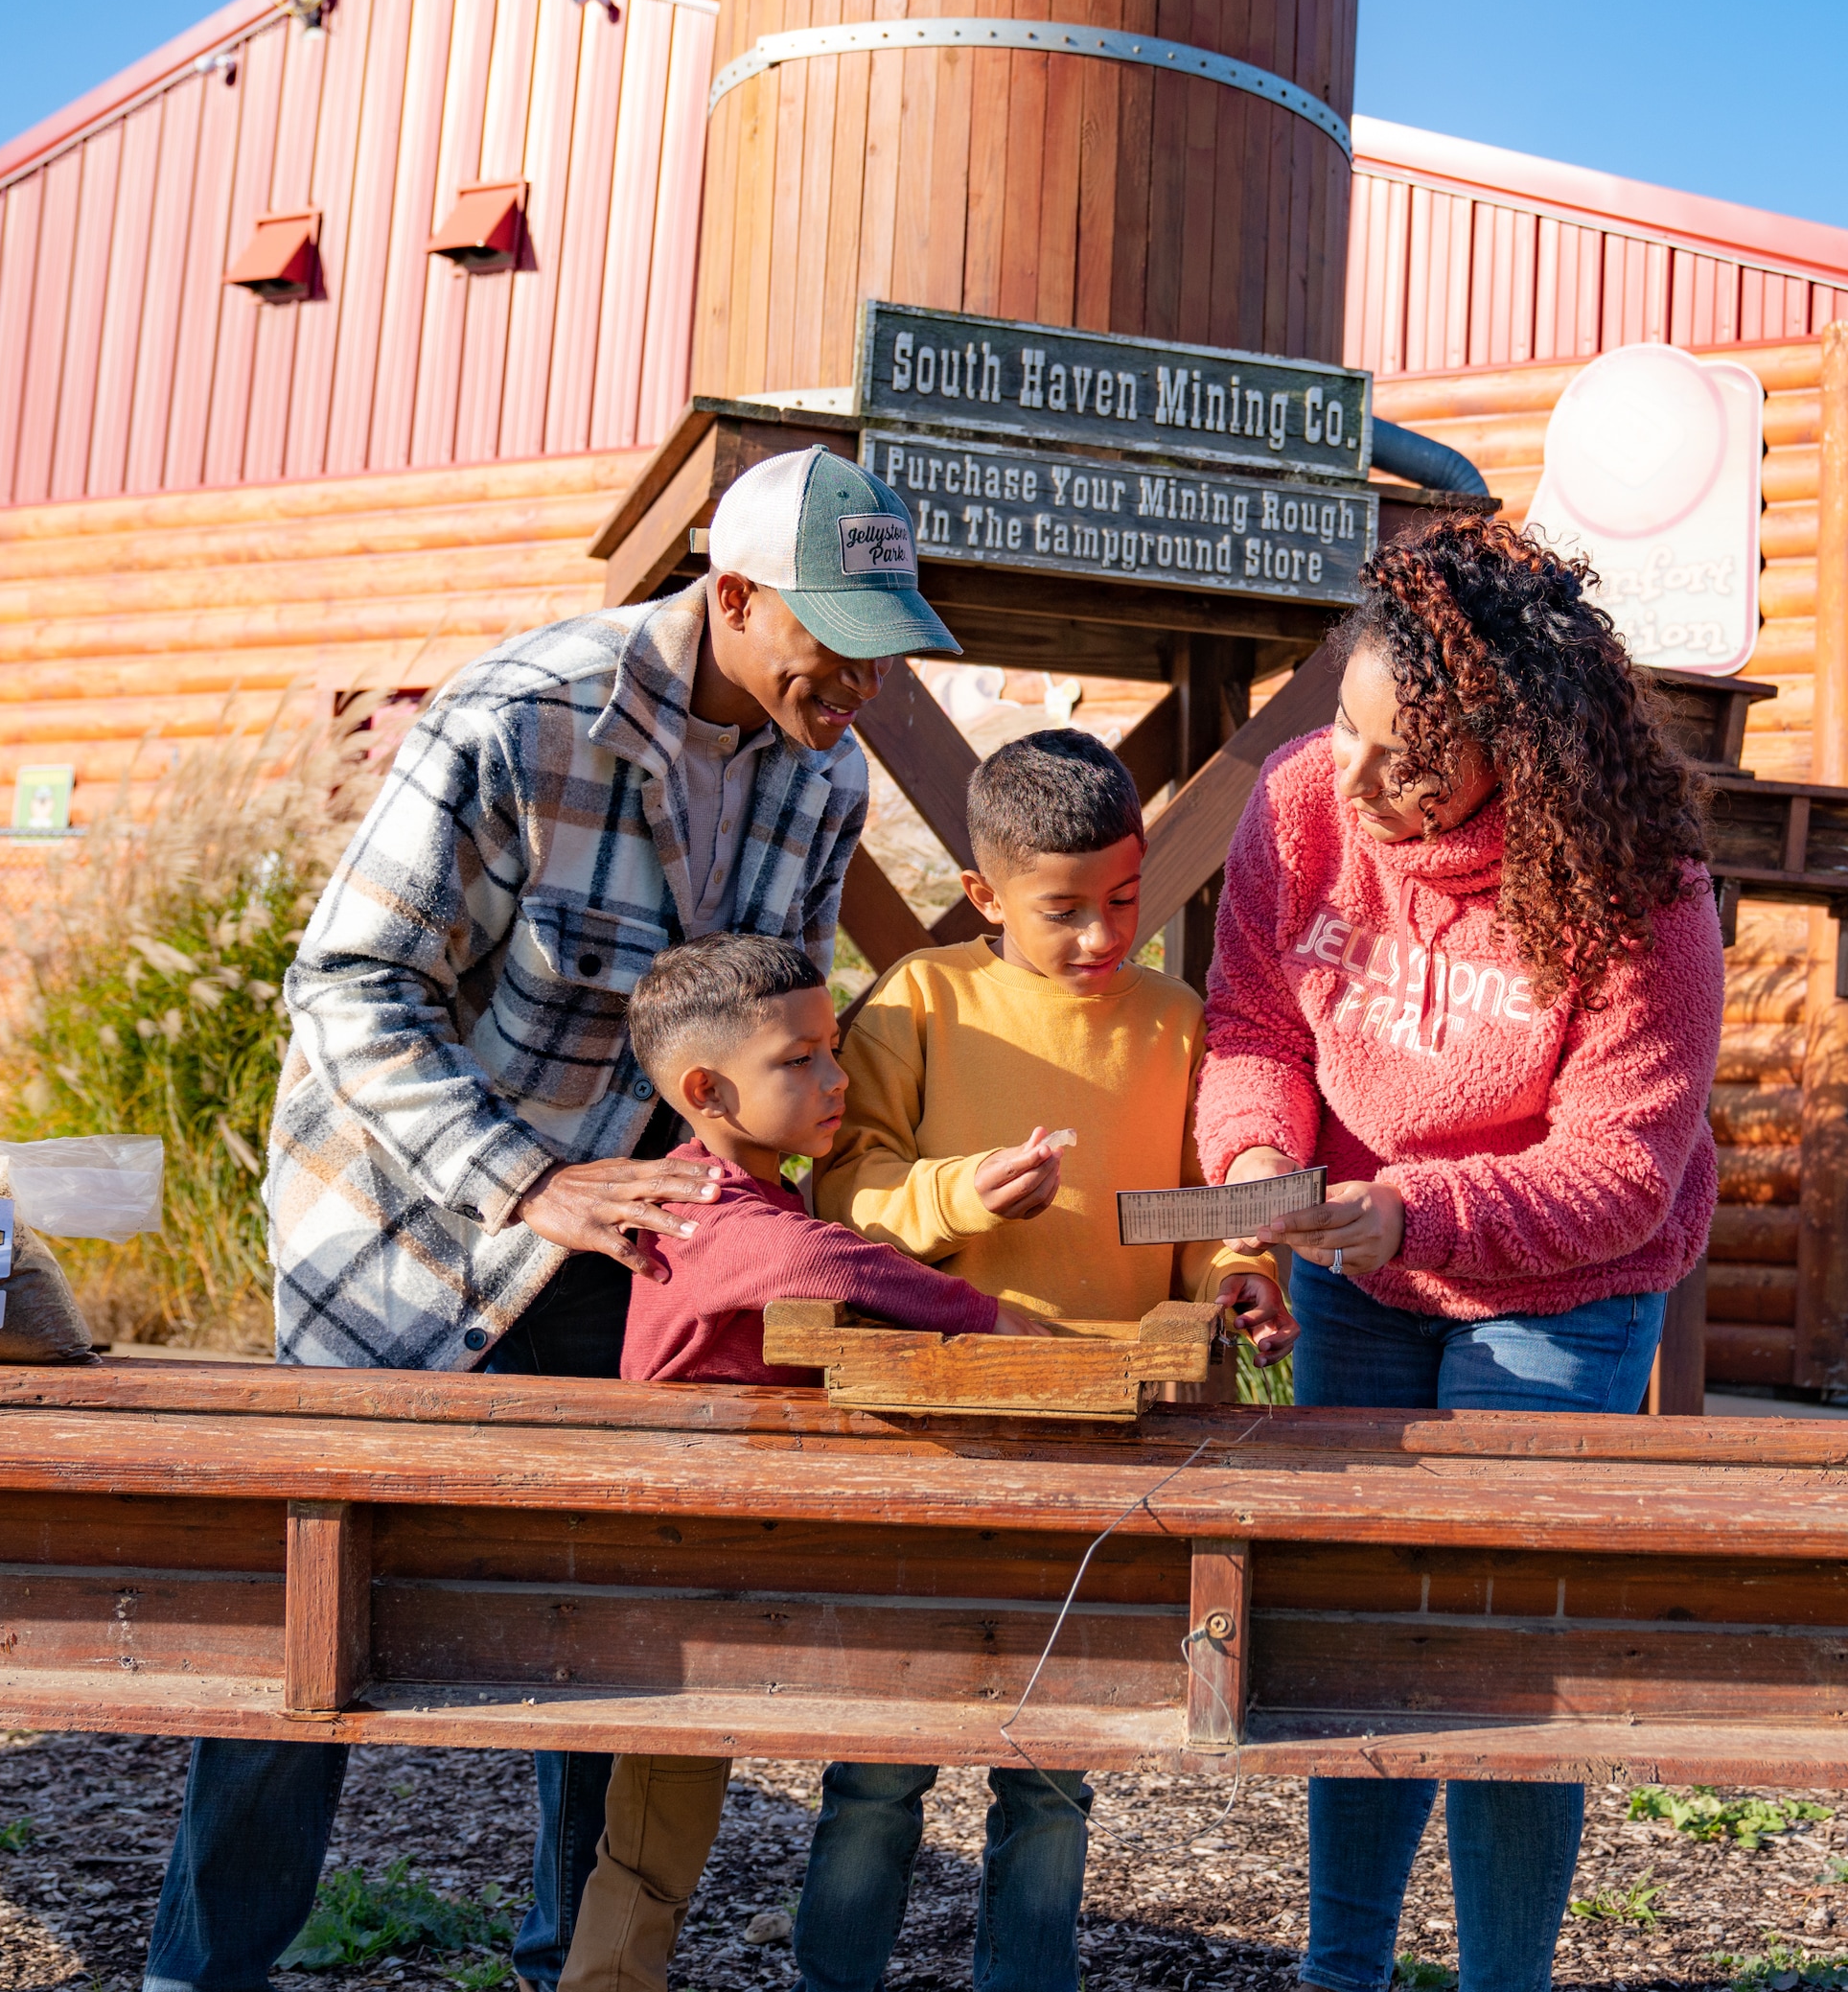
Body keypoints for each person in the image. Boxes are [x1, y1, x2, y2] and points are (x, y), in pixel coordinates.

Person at [143, 447, 960, 1992]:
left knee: (614, 1618)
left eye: (881, 640)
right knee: (307, 1643)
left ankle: (567, 1971)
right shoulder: (524, 716)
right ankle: (200, 1974)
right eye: (831, 640)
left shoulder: (825, 778)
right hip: (402, 1236)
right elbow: (351, 985)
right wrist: (523, 1178)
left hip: (630, 1236)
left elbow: (752, 1039)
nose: (857, 681)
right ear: (732, 597)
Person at [565, 727, 1295, 1992]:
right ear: (984, 895)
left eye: (1125, 900)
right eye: (1063, 910)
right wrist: (965, 1195)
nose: (1098, 936)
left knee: (1057, 1761)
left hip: (1099, 1432)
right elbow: (835, 1207)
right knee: (883, 1759)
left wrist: (1238, 1281)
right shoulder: (915, 1000)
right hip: (930, 1431)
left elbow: (1187, 1205)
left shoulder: (1177, 1020)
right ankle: (835, 1975)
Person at [1197, 517, 1723, 1992]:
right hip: (1348, 1272)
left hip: (1560, 1299)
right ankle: (1340, 1972)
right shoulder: (1306, 804)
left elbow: (1623, 1173)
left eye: (1409, 758)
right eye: (1347, 729)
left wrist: (1415, 1211)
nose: (1360, 784)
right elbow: (1252, 1030)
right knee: (1363, 1639)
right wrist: (1249, 1171)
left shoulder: (1642, 892)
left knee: (1506, 1657)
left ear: (1525, 746)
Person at [560, 931, 1042, 1991]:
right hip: (693, 1568)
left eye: (834, 1049)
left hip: (741, 1556)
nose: (836, 1078)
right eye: (801, 1059)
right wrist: (996, 1321)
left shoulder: (746, 1187)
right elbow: (814, 1260)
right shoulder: (704, 1204)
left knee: (657, 1825)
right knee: (652, 1832)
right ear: (706, 1088)